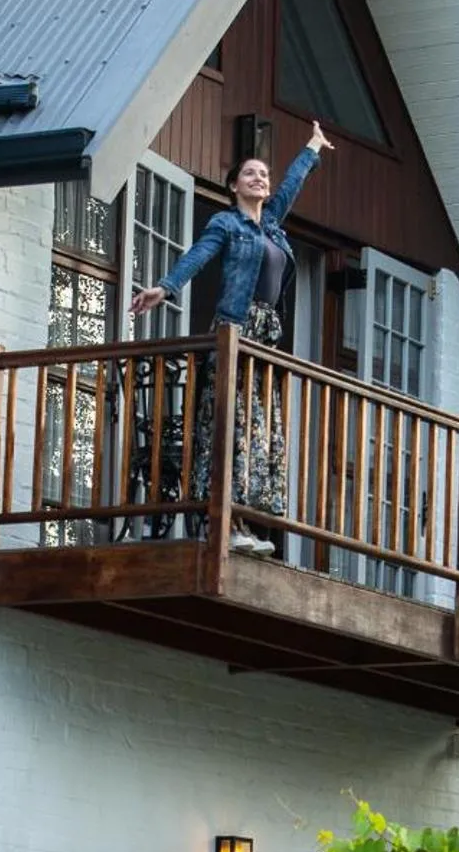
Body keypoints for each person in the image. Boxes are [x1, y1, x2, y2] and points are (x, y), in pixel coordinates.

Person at [131, 122, 332, 552]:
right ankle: (227, 525)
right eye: (249, 174)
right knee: (232, 428)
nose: (259, 178)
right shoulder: (227, 223)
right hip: (235, 331)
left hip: (265, 338)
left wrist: (313, 146)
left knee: (259, 434)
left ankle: (246, 523)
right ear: (233, 186)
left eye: (263, 174)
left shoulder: (273, 226)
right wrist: (164, 288)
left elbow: (293, 183)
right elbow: (199, 256)